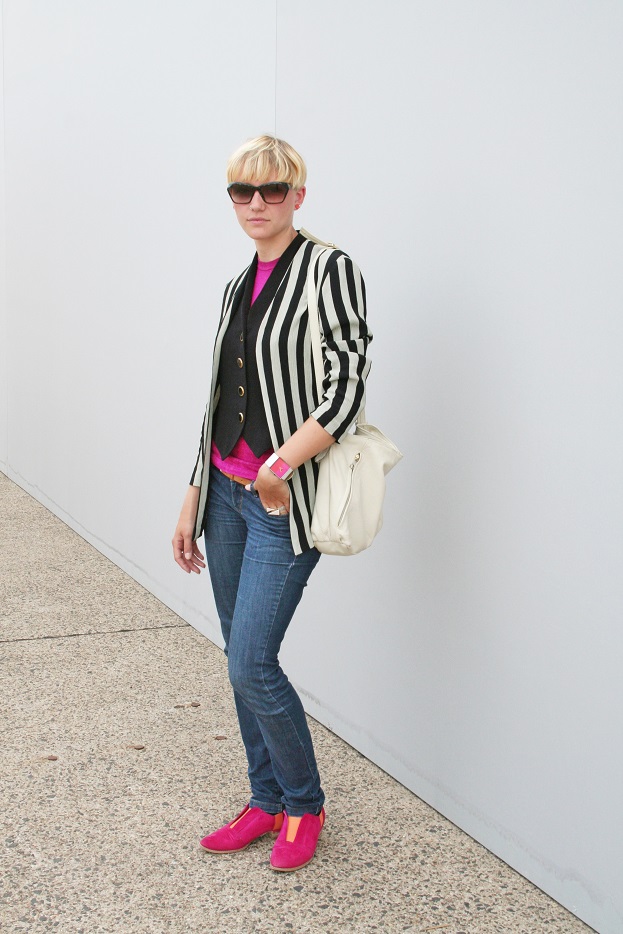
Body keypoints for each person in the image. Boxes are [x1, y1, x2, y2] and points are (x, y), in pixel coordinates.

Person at [172, 135, 371, 872]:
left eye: (272, 190)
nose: (256, 203)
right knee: (238, 659)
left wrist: (281, 463)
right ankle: (265, 799)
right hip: (223, 498)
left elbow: (347, 388)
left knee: (254, 661)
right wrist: (192, 495)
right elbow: (215, 402)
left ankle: (303, 804)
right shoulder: (236, 286)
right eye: (241, 191)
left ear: (298, 195)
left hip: (281, 503)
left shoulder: (329, 270)